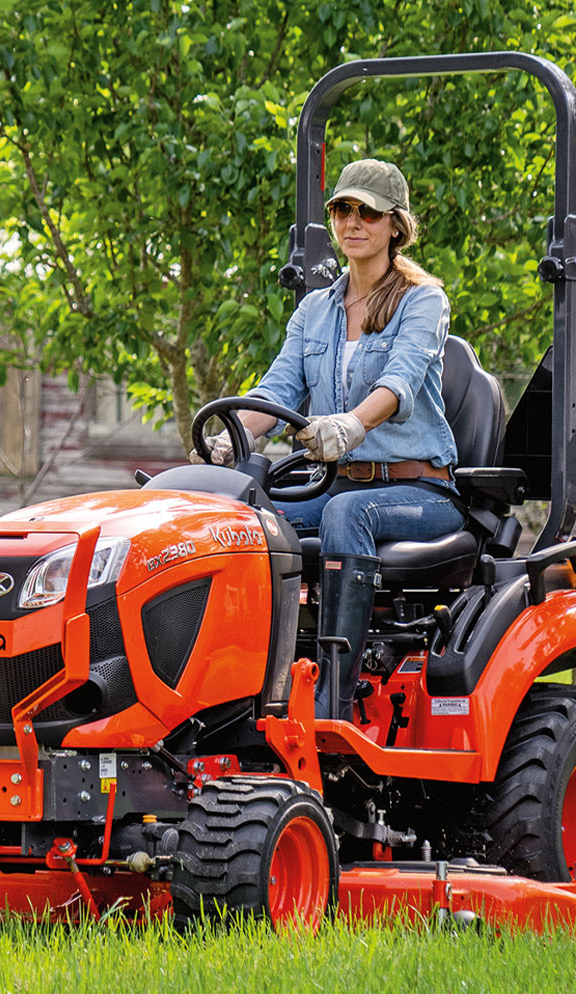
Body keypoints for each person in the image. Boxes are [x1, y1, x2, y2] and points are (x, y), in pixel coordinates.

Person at [197, 158, 463, 719]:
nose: (353, 222)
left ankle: (334, 694)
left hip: (421, 494)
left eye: (368, 211)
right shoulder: (315, 311)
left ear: (396, 224)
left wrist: (352, 424)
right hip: (340, 486)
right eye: (343, 209)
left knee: (347, 515)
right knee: (242, 524)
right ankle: (234, 685)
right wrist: (231, 440)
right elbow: (277, 391)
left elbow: (400, 380)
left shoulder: (423, 301)